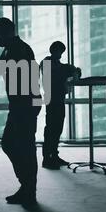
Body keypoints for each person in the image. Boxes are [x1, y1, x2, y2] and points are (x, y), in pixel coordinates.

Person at [0, 17, 41, 206]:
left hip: (25, 104)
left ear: (7, 32)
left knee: (19, 146)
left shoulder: (18, 49)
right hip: (23, 103)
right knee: (16, 145)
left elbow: (2, 66)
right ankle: (27, 187)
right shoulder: (11, 48)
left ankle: (28, 189)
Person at [40, 41, 81, 170]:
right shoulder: (46, 62)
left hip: (58, 98)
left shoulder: (57, 64)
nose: (61, 55)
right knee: (51, 128)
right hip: (52, 99)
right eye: (60, 52)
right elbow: (59, 72)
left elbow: (65, 71)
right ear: (54, 50)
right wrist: (72, 69)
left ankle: (54, 155)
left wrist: (72, 70)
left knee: (57, 128)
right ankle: (47, 158)